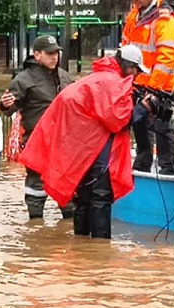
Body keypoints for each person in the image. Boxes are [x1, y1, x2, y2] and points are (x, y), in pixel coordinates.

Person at [19, 46, 150, 239]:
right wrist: (141, 110)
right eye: (136, 70)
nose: (137, 75)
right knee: (100, 197)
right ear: (128, 66)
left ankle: (82, 246)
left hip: (81, 149)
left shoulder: (99, 77)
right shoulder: (111, 82)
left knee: (83, 198)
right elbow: (116, 120)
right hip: (94, 150)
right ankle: (99, 251)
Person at [0, 34, 74, 220]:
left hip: (64, 142)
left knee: (67, 185)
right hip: (36, 141)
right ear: (37, 54)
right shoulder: (23, 80)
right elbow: (7, 108)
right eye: (49, 53)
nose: (54, 57)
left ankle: (71, 221)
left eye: (56, 53)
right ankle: (35, 224)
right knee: (36, 186)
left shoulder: (64, 76)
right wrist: (4, 105)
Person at [121, 0, 174, 175]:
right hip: (137, 81)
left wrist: (154, 88)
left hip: (158, 84)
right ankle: (142, 164)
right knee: (139, 125)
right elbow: (126, 47)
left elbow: (167, 57)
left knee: (161, 126)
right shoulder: (134, 16)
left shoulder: (164, 20)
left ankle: (168, 167)